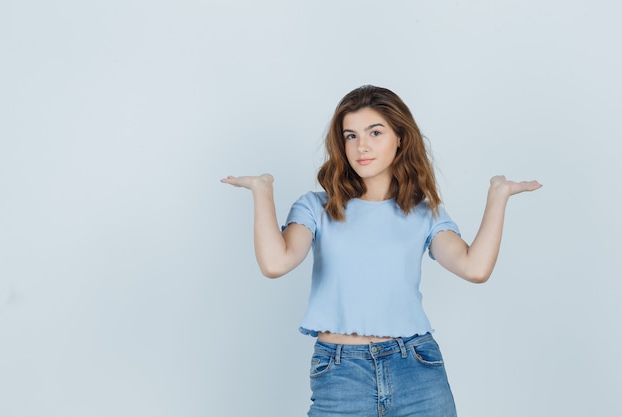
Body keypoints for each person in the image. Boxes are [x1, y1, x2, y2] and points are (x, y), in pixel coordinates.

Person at [221, 85, 541, 417]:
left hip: (416, 367)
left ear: (400, 137)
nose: (362, 146)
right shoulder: (317, 207)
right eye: (350, 135)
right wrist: (262, 191)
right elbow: (276, 263)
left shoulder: (423, 212)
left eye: (375, 132)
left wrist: (498, 195)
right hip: (341, 372)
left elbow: (474, 268)